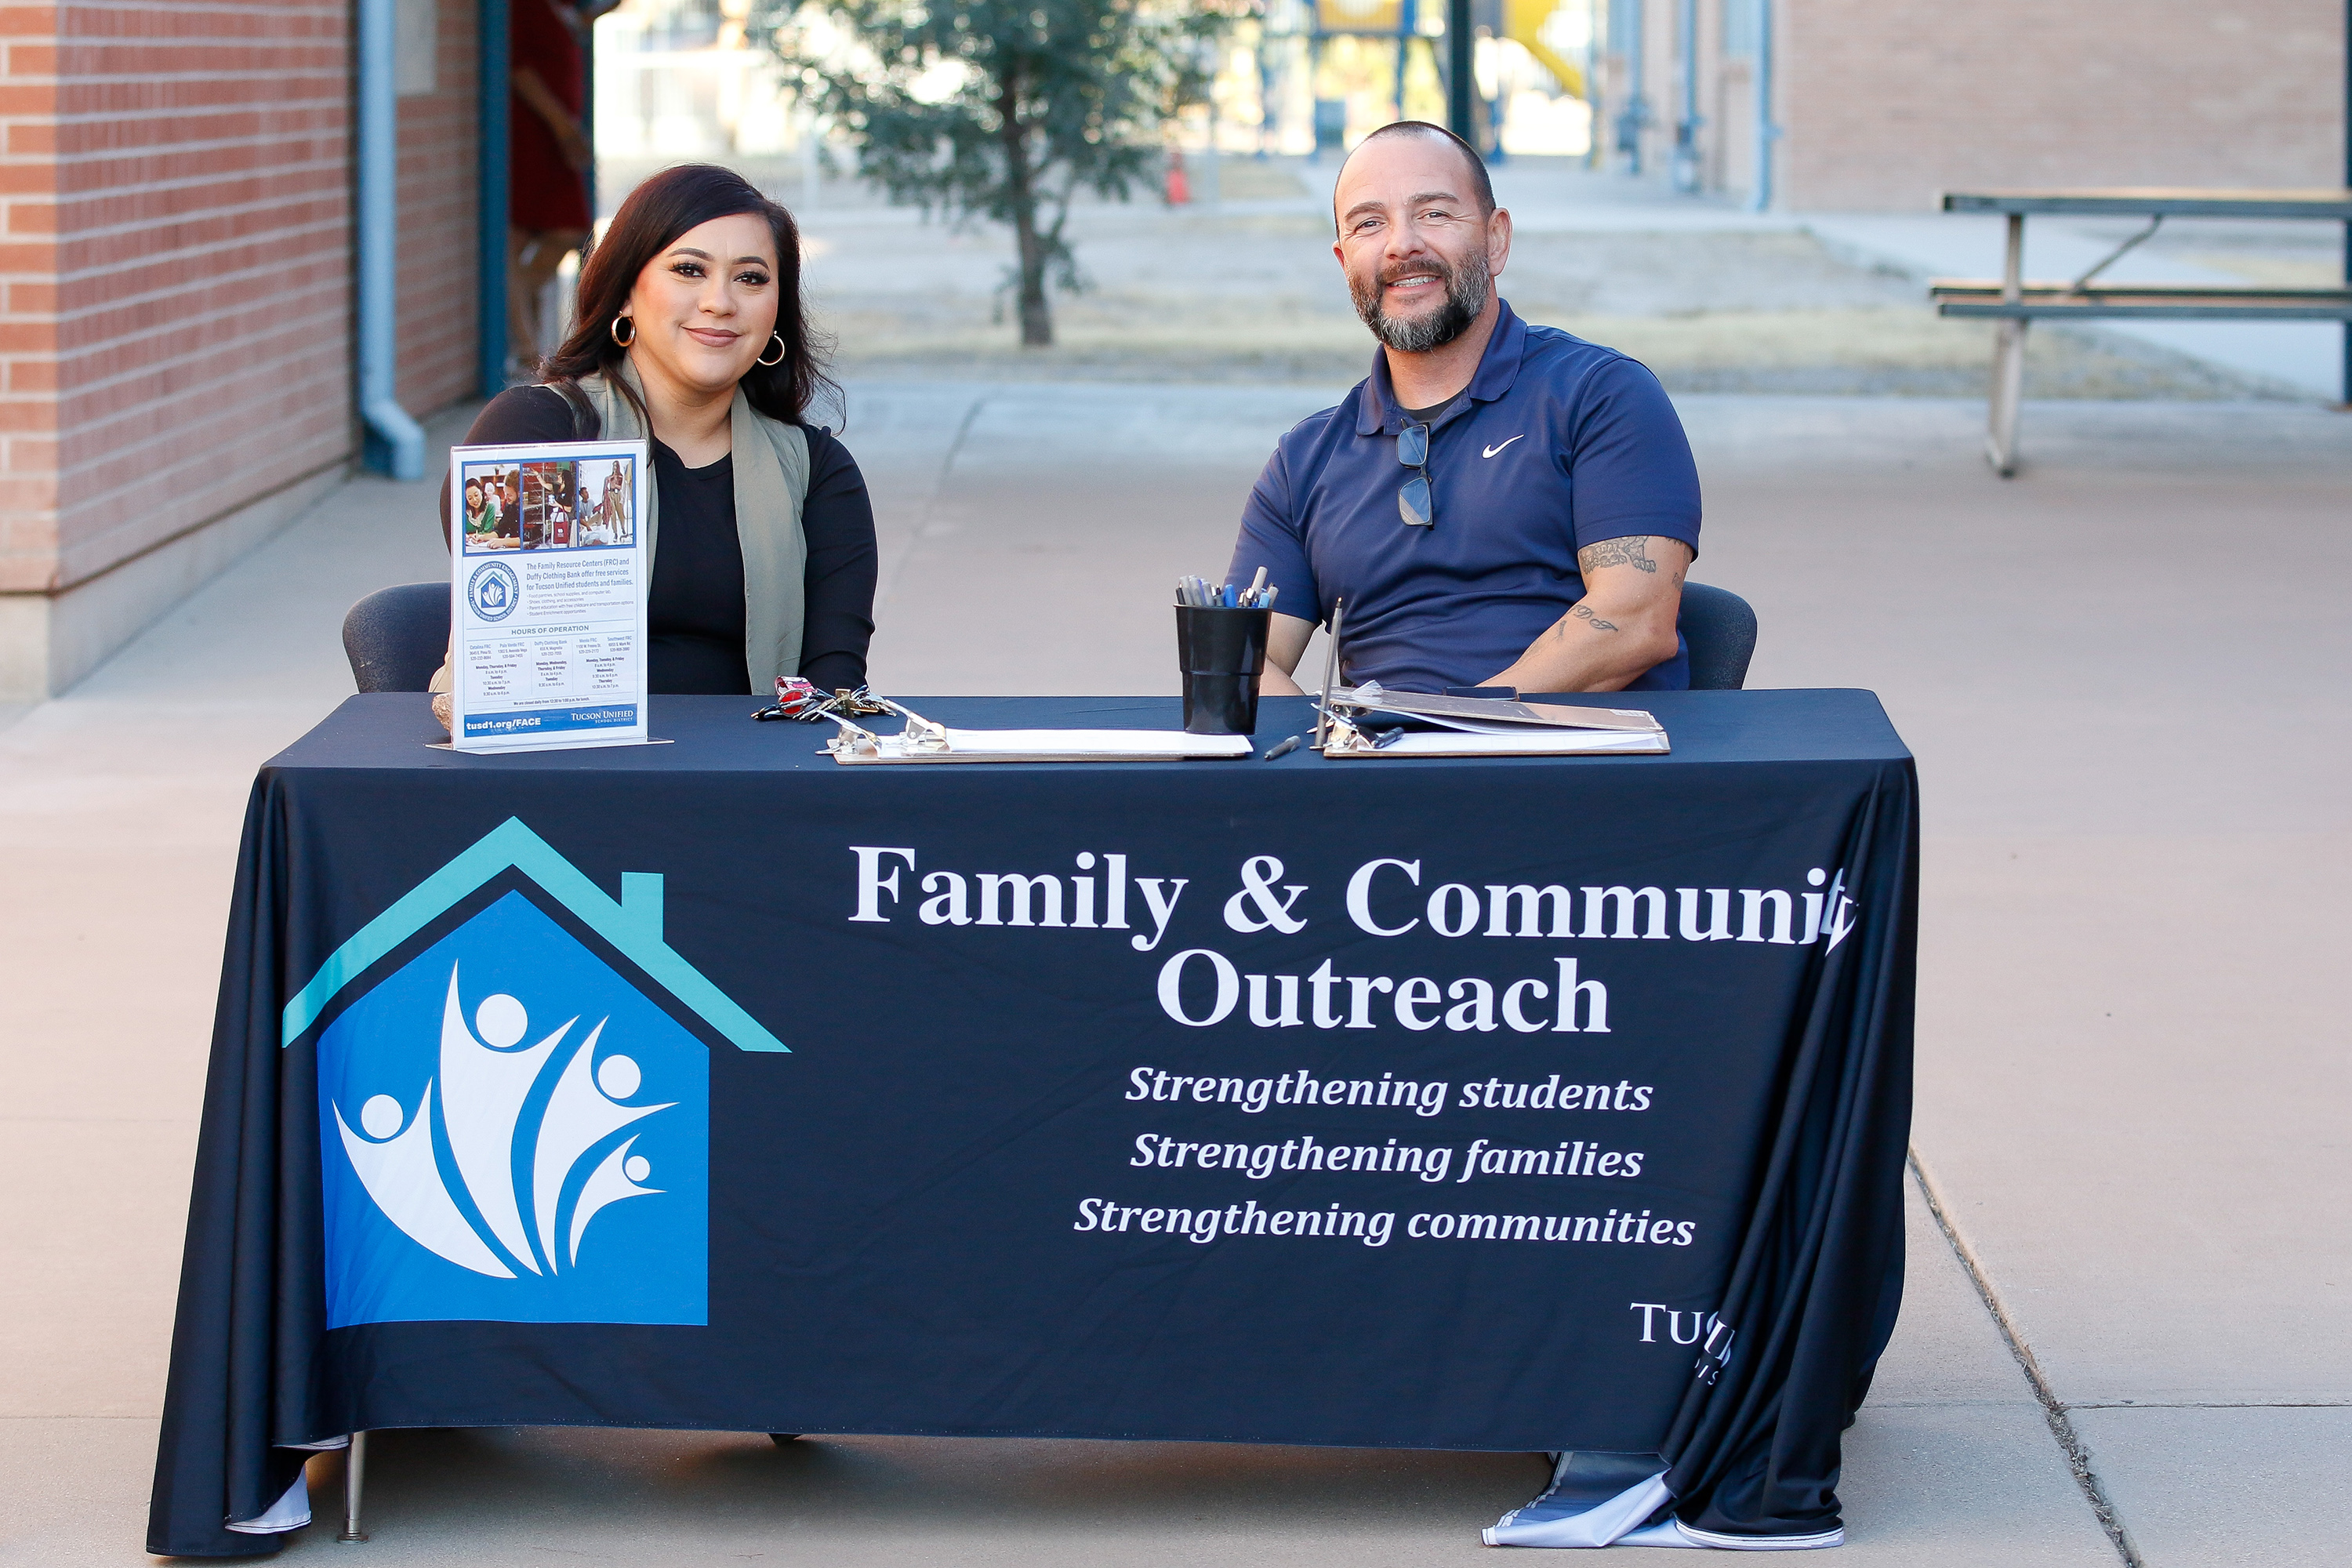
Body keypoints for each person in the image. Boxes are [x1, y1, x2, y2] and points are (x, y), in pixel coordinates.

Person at [1227, 122, 1701, 696]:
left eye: (1434, 214)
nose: (1402, 244)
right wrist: (1328, 752)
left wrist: (1450, 733)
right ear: (1344, 259)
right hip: (1383, 773)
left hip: (1575, 768)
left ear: (1497, 239)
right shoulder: (1304, 461)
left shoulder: (1601, 396)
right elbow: (1242, 662)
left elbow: (1634, 624)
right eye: (1369, 223)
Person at [434, 163, 877, 699]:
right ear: (624, 293)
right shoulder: (539, 432)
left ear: (777, 312)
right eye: (689, 270)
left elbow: (833, 692)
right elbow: (526, 658)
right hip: (565, 765)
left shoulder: (815, 472)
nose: (720, 302)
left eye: (752, 277)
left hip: (750, 771)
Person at [509, 0, 593, 373]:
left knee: (563, 231)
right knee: (521, 237)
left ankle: (515, 315)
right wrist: (563, 128)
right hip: (535, 137)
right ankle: (526, 346)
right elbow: (521, 70)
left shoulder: (565, 9)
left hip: (555, 140)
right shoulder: (525, 8)